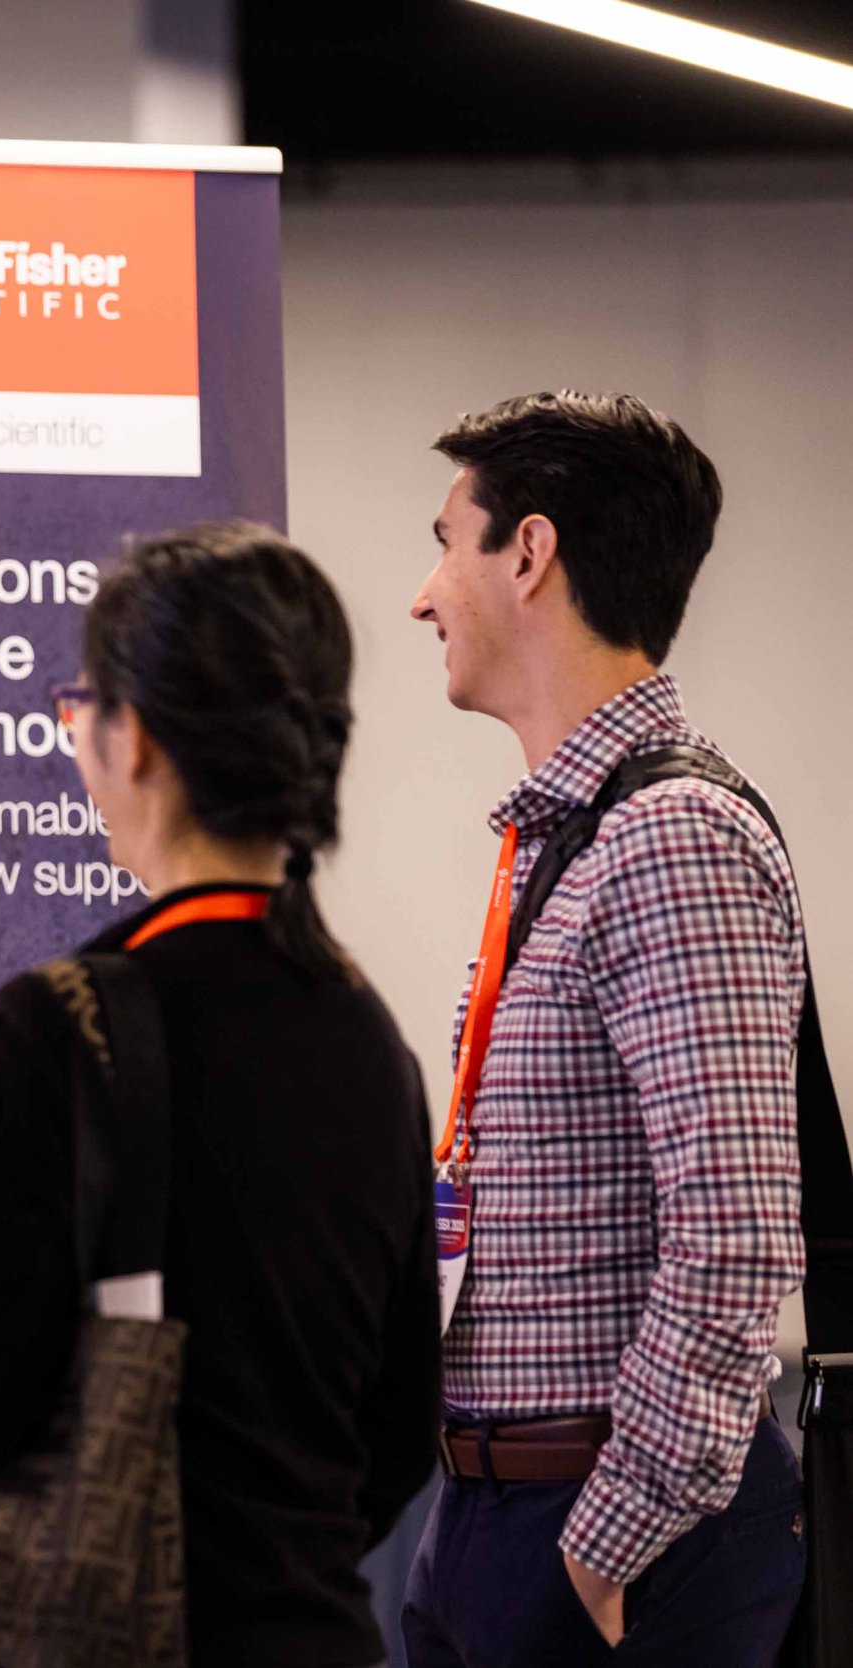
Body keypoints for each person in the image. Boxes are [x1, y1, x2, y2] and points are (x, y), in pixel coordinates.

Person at [0, 523, 438, 1668]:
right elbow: (394, 1424)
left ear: (133, 737)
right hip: (314, 1633)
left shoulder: (50, 1027)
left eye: (83, 702)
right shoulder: (368, 1031)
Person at [401, 393, 807, 1665]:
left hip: (607, 1532)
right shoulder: (569, 839)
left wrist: (603, 1546)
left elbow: (737, 1239)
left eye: (444, 542)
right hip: (493, 1507)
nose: (422, 596)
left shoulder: (671, 838)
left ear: (528, 555)